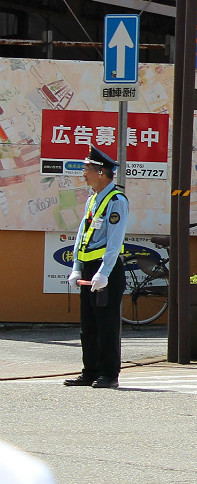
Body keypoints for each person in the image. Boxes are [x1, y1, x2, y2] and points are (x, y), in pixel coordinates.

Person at [64, 148, 129, 389]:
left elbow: (115, 240)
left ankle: (109, 374)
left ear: (102, 172)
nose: (84, 174)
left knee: (107, 325)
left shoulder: (116, 201)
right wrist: (77, 267)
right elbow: (82, 233)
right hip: (89, 269)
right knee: (88, 325)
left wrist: (104, 272)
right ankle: (89, 371)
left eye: (87, 169)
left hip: (106, 271)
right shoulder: (93, 199)